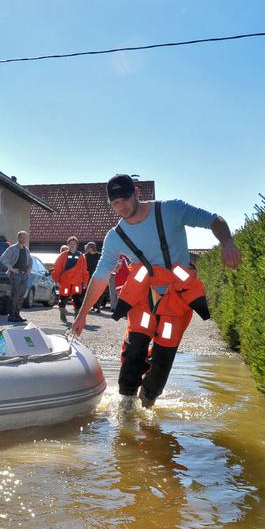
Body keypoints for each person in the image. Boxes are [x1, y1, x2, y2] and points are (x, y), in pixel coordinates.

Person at [71, 174, 241, 408]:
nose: (121, 207)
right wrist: (82, 314)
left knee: (162, 361)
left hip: (176, 304)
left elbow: (214, 220)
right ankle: (126, 409)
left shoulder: (171, 210)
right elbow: (100, 276)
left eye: (125, 199)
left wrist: (227, 243)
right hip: (143, 303)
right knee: (133, 354)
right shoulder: (115, 237)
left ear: (137, 193)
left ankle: (148, 402)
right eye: (115, 203)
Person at [51, 236, 88, 324]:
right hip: (65, 282)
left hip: (76, 282)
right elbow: (57, 268)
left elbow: (84, 270)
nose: (72, 245)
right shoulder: (63, 255)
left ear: (76, 245)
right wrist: (56, 279)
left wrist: (85, 282)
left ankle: (77, 316)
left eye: (74, 244)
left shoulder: (81, 256)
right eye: (70, 244)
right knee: (63, 298)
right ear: (68, 245)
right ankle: (62, 313)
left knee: (77, 299)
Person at [0, 230, 32, 323]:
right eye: (22, 237)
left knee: (21, 296)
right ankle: (11, 315)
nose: (23, 239)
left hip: (24, 275)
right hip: (15, 275)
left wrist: (29, 269)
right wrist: (11, 268)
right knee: (15, 296)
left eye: (25, 237)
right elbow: (3, 258)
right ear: (18, 238)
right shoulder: (12, 248)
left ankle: (17, 314)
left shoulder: (26, 249)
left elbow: (30, 261)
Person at [82, 242, 106, 312]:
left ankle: (98, 307)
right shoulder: (85, 256)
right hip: (87, 276)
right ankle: (89, 307)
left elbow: (103, 265)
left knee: (98, 292)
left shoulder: (99, 256)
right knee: (88, 292)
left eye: (88, 247)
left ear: (91, 247)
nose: (87, 249)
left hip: (98, 276)